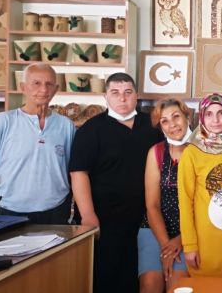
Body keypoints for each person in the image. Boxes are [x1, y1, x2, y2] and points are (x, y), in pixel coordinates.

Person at [70, 73, 164, 293]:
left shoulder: (152, 126)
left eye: (128, 92)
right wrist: (88, 215)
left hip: (145, 219)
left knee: (140, 277)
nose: (122, 98)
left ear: (136, 96)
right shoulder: (91, 129)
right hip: (106, 220)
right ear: (106, 97)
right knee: (108, 278)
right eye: (115, 93)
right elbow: (78, 173)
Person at [0, 63, 76, 224]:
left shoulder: (66, 125)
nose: (43, 89)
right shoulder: (2, 122)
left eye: (49, 84)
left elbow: (74, 171)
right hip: (8, 209)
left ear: (56, 89)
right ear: (23, 87)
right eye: (36, 83)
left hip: (56, 210)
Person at [178, 93, 222, 278]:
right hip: (205, 240)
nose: (215, 120)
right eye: (209, 114)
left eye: (221, 113)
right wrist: (189, 245)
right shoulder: (191, 153)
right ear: (201, 118)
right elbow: (185, 202)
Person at [138, 99, 192, 293]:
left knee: (177, 285)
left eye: (176, 117)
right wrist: (166, 247)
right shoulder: (156, 152)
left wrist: (181, 240)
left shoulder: (202, 149)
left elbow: (204, 205)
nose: (172, 125)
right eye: (165, 121)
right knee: (149, 284)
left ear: (187, 117)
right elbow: (152, 205)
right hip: (155, 228)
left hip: (190, 232)